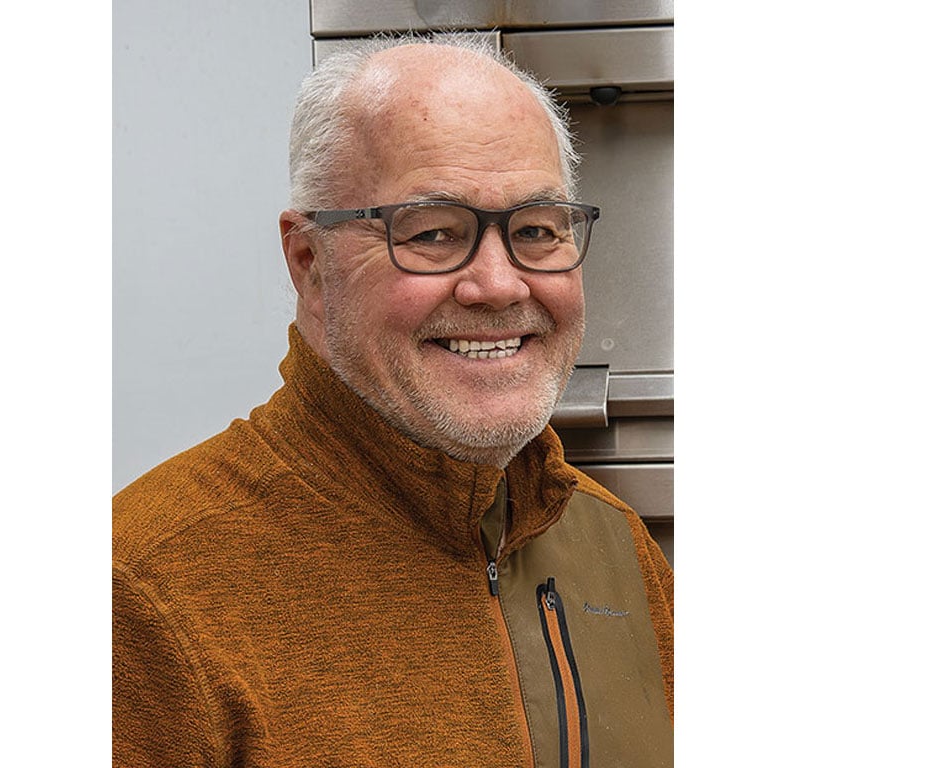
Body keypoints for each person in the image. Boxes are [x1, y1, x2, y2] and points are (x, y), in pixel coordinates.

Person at [113, 35, 673, 768]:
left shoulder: (616, 545)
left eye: (536, 230)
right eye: (434, 233)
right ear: (310, 264)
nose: (500, 285)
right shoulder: (142, 594)